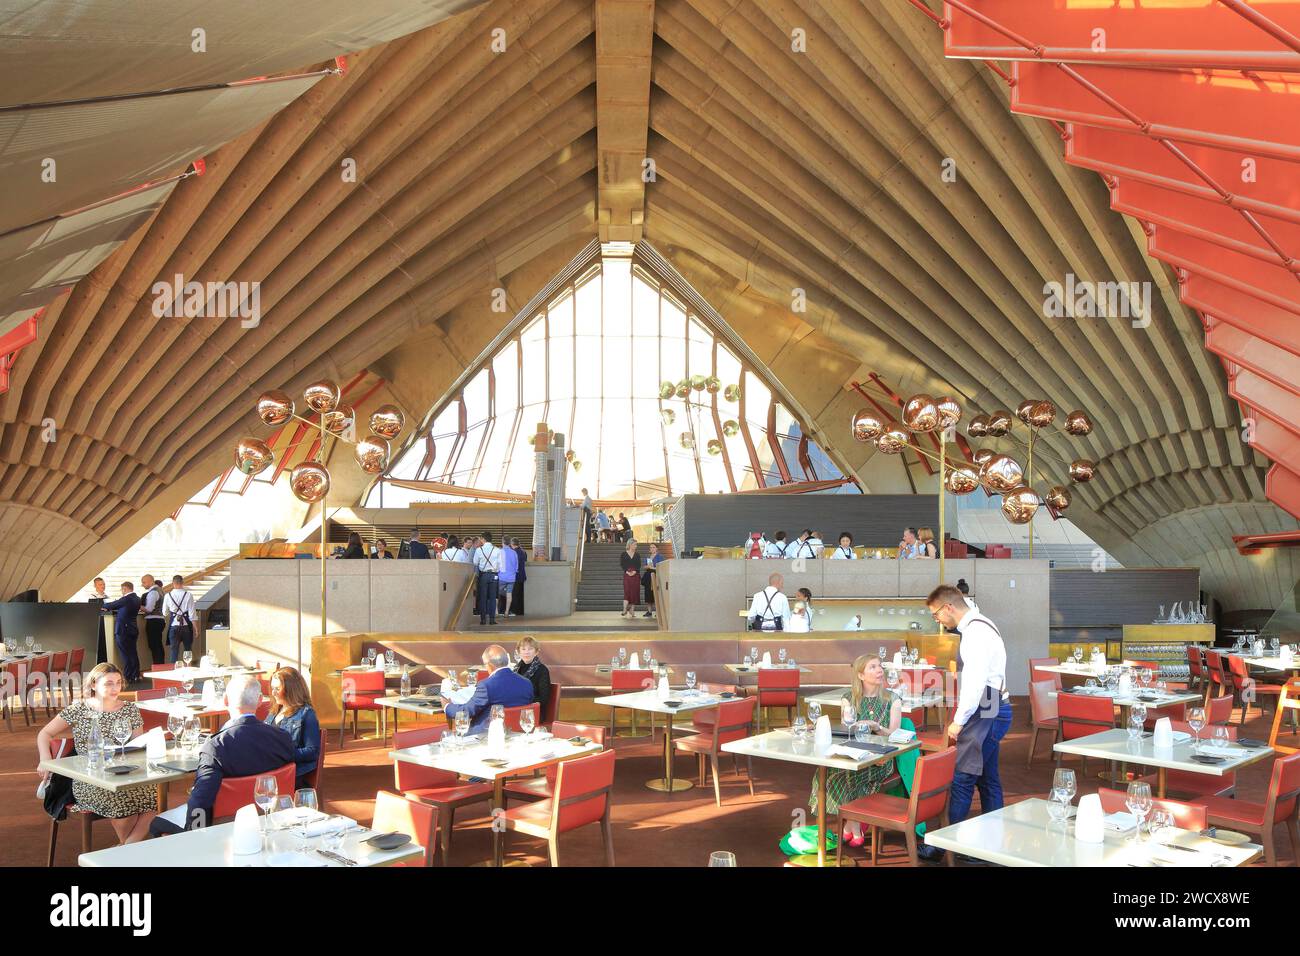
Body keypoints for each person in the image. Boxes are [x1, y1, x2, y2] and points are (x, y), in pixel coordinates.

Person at [923, 584, 1012, 858]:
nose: (936, 620)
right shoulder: (982, 623)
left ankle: (946, 846)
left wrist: (959, 720)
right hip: (994, 704)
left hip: (986, 708)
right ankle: (990, 847)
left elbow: (975, 682)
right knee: (987, 779)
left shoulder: (974, 632)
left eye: (936, 614)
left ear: (949, 607)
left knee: (962, 777)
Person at [150, 673, 295, 834]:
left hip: (225, 825)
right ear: (260, 700)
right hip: (268, 818)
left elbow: (201, 800)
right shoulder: (282, 738)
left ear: (225, 700)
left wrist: (195, 835)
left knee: (156, 824)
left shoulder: (215, 746)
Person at [37, 663, 155, 844]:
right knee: (121, 798)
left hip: (124, 772)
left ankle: (126, 849)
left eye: (118, 682)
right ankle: (128, 851)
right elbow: (45, 734)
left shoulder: (130, 709)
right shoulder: (79, 709)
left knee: (155, 796)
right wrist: (45, 759)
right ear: (93, 685)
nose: (115, 688)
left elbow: (138, 747)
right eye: (108, 683)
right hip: (90, 778)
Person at [811, 655, 904, 846]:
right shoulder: (849, 698)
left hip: (881, 758)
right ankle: (853, 826)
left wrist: (876, 726)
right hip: (853, 754)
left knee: (849, 778)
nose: (879, 670)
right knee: (824, 775)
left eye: (880, 666)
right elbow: (848, 730)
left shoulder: (893, 699)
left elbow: (894, 735)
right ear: (861, 675)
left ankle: (849, 827)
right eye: (872, 667)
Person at [442, 645, 533, 734]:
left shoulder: (486, 685)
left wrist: (447, 706)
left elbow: (467, 711)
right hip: (518, 733)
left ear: (489, 665)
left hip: (486, 735)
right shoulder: (527, 683)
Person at [264, 667, 321, 790]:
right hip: (272, 769)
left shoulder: (306, 714)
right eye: (272, 688)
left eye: (277, 689)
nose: (273, 693)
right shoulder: (275, 710)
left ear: (291, 690)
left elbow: (313, 751)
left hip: (291, 773)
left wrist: (282, 755)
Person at [102, 581, 142, 683]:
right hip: (133, 629)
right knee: (133, 653)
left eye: (122, 590)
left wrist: (103, 606)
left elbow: (111, 605)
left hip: (123, 630)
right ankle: (135, 674)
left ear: (125, 589)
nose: (122, 592)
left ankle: (127, 676)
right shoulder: (137, 599)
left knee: (125, 654)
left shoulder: (126, 599)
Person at [163, 574, 197, 664]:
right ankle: (188, 669)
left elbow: (164, 612)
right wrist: (196, 629)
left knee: (174, 651)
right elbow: (192, 614)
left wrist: (173, 611)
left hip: (174, 626)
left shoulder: (168, 595)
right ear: (182, 583)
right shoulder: (188, 595)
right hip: (186, 626)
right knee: (188, 650)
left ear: (173, 583)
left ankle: (173, 671)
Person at [513, 637, 551, 708]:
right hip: (516, 708)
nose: (526, 652)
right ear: (518, 652)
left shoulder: (542, 670)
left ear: (536, 652)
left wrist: (521, 700)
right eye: (523, 649)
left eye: (530, 649)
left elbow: (543, 699)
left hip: (533, 710)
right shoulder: (515, 670)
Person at [474, 532, 502, 625]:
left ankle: (482, 620)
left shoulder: (479, 550)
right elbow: (501, 564)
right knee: (493, 598)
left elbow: (475, 562)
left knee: (483, 598)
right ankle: (492, 620)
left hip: (484, 575)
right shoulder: (497, 550)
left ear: (483, 539)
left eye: (481, 539)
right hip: (494, 574)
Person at [140, 574, 166, 667]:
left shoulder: (152, 592)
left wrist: (138, 605)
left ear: (151, 581)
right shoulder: (160, 591)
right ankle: (161, 666)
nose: (142, 585)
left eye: (144, 582)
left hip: (153, 621)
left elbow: (149, 609)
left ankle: (158, 667)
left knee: (154, 646)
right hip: (160, 620)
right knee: (158, 645)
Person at [88, 577, 109, 664]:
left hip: (107, 622)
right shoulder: (91, 597)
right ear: (95, 586)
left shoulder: (107, 597)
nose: (103, 586)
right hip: (97, 623)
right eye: (100, 584)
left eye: (104, 584)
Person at [642, 541, 665, 618]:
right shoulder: (648, 557)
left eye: (653, 547)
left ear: (657, 548)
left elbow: (661, 567)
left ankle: (657, 611)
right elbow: (644, 567)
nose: (652, 549)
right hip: (648, 576)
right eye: (651, 547)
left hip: (655, 576)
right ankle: (649, 611)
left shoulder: (660, 557)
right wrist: (647, 567)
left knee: (655, 594)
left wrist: (652, 567)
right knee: (648, 594)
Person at [620, 539, 642, 618]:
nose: (636, 546)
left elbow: (639, 565)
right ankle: (624, 609)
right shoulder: (623, 554)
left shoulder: (637, 555)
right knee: (627, 592)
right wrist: (627, 571)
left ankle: (632, 610)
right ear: (630, 544)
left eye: (636, 545)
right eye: (634, 544)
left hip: (635, 575)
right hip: (627, 575)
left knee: (635, 592)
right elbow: (622, 564)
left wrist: (635, 571)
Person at [499, 536, 519, 618]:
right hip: (511, 577)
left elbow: (497, 565)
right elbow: (516, 566)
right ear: (510, 543)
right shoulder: (514, 552)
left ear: (502, 542)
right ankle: (506, 612)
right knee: (509, 594)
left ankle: (496, 612)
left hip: (501, 577)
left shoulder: (500, 552)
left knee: (497, 595)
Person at [510, 538, 527, 616]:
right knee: (521, 594)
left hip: (515, 576)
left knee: (515, 594)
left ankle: (515, 611)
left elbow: (512, 565)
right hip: (522, 576)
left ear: (512, 544)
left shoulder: (513, 552)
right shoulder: (523, 552)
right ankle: (521, 611)